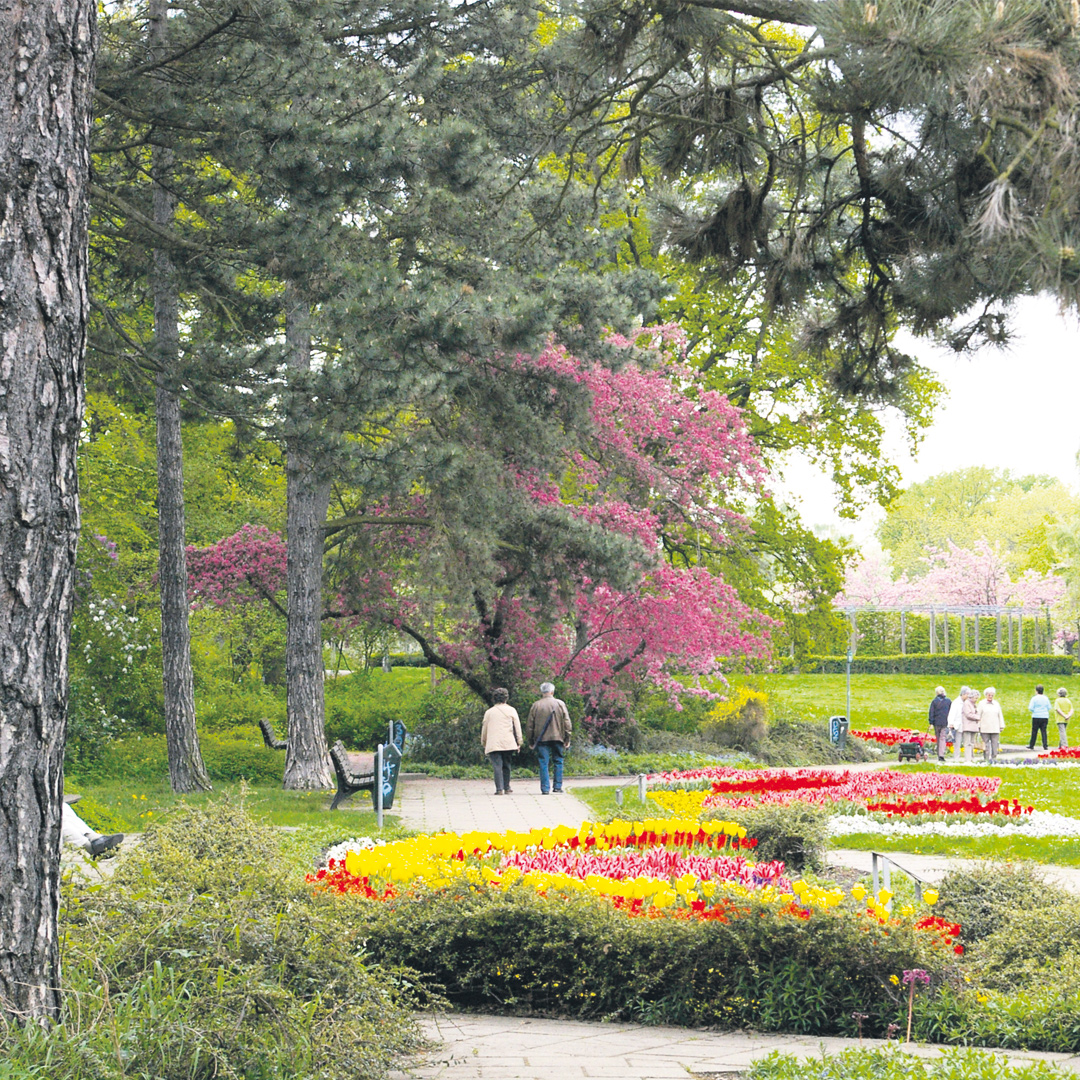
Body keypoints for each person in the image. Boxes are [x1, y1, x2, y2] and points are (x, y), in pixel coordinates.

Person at [526, 682, 572, 794]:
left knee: (543, 762)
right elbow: (567, 723)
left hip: (541, 739)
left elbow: (530, 725)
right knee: (558, 761)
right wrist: (567, 738)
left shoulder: (536, 705)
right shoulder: (560, 704)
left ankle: (545, 789)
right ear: (552, 691)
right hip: (558, 737)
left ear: (542, 692)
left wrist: (531, 740)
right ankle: (557, 786)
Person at [481, 687, 522, 795]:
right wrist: (519, 742)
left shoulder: (489, 712)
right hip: (508, 742)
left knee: (497, 765)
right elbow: (517, 727)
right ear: (506, 698)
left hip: (493, 742)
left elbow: (484, 728)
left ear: (494, 699)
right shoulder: (512, 710)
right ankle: (507, 787)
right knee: (507, 764)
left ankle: (499, 789)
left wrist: (484, 742)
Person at [977, 686, 1005, 764]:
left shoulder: (996, 704)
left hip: (995, 727)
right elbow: (978, 715)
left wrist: (1001, 725)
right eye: (989, 695)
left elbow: (1000, 715)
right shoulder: (981, 704)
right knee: (985, 744)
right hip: (984, 728)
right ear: (986, 695)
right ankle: (986, 758)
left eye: (992, 695)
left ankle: (994, 758)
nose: (990, 697)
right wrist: (978, 726)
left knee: (995, 744)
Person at [928, 686, 951, 763]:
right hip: (945, 722)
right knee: (943, 738)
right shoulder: (948, 701)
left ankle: (939, 754)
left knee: (938, 738)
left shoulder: (934, 701)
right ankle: (941, 754)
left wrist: (931, 722)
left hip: (937, 723)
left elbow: (931, 712)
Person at [1028, 684, 1052, 752]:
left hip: (1036, 716)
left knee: (1034, 731)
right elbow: (1049, 707)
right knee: (1044, 731)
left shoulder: (1034, 698)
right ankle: (1045, 745)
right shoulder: (1046, 698)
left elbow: (1030, 708)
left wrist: (1035, 711)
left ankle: (1032, 745)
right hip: (1044, 716)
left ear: (1036, 691)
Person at [947, 686, 969, 761]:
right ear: (963, 694)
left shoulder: (967, 702)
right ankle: (956, 758)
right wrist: (951, 723)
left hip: (966, 725)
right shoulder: (956, 702)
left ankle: (967, 758)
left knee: (967, 742)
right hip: (957, 725)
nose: (968, 696)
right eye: (967, 694)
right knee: (957, 743)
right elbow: (952, 713)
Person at [960, 689, 981, 763]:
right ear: (971, 697)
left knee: (972, 743)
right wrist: (978, 717)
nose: (976, 700)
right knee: (967, 743)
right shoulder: (967, 703)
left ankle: (972, 757)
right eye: (975, 698)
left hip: (973, 727)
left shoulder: (974, 704)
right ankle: (967, 758)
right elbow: (968, 714)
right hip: (967, 726)